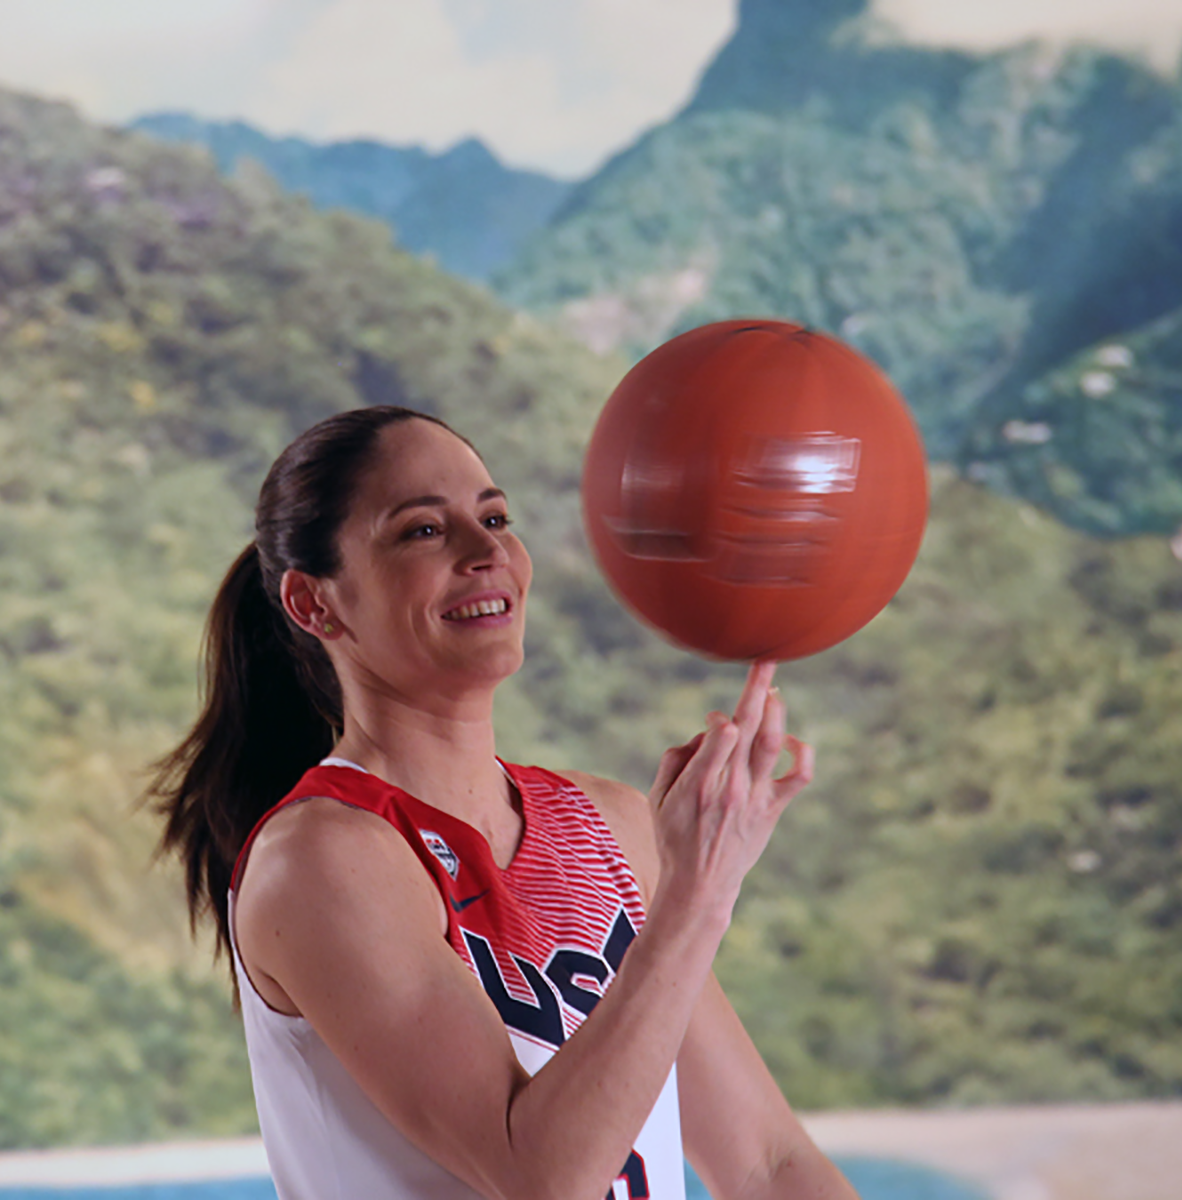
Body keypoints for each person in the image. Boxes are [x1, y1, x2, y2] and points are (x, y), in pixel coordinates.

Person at [153, 405, 858, 1200]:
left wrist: (692, 888)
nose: (488, 550)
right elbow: (538, 1174)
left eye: (495, 517)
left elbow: (769, 1165)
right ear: (315, 604)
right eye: (424, 530)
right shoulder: (321, 858)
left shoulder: (614, 824)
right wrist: (699, 895)